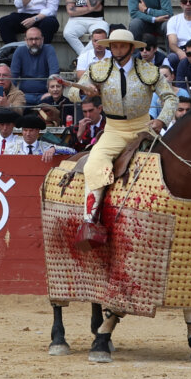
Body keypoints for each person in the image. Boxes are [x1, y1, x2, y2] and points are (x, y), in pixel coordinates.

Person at [75, 29, 177, 246]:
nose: (117, 49)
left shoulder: (149, 71)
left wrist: (161, 121)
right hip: (113, 130)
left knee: (167, 164)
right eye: (114, 45)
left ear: (132, 48)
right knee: (94, 164)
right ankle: (90, 221)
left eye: (122, 46)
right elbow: (73, 93)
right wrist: (86, 92)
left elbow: (170, 98)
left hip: (144, 127)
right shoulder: (97, 69)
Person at [10, 27, 59, 106]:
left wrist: (51, 93)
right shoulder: (19, 51)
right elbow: (13, 76)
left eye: (37, 39)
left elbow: (54, 73)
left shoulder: (49, 49)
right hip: (24, 96)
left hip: (45, 95)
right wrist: (13, 96)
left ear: (42, 39)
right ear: (26, 40)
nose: (33, 42)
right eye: (30, 39)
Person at [5, 113, 75, 160]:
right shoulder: (11, 148)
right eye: (25, 130)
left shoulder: (46, 147)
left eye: (31, 130)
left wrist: (55, 149)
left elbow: (73, 152)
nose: (27, 134)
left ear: (38, 131)